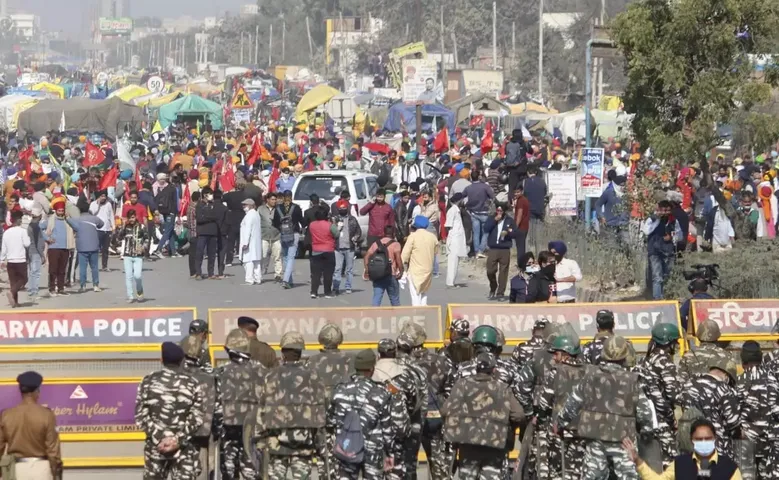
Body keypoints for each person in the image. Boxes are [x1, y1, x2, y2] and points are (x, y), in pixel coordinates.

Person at [558, 336, 655, 480]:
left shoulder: (590, 376)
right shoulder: (632, 380)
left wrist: (561, 423)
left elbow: (572, 403)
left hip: (595, 438)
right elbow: (644, 413)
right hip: (624, 441)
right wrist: (647, 431)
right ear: (625, 356)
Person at [441, 352, 525, 480]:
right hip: (494, 446)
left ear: (476, 368)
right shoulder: (502, 389)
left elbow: (445, 411)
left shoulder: (462, 385)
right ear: (493, 370)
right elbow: (518, 415)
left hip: (467, 444)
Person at [254, 332, 326, 480]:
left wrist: (259, 439)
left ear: (283, 352)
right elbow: (320, 411)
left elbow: (261, 410)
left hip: (276, 445)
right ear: (300, 352)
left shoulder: (270, 376)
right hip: (303, 445)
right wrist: (320, 443)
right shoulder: (313, 376)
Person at [135, 342, 205, 480]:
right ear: (181, 361)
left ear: (161, 360)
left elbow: (140, 416)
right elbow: (197, 418)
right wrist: (177, 440)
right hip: (183, 450)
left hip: (156, 449)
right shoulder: (192, 383)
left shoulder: (148, 381)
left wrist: (160, 437)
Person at [327, 349, 395, 480]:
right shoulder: (381, 393)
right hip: (372, 451)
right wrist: (389, 453)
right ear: (372, 369)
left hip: (346, 448)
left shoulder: (339, 390)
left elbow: (329, 421)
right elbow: (387, 429)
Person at [215, 329, 266, 479]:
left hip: (228, 431)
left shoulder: (221, 372)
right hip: (253, 433)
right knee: (252, 472)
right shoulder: (261, 371)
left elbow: (216, 407)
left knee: (229, 473)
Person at [624, 418, 743, 480]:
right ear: (692, 440)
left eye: (707, 438)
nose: (704, 442)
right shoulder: (680, 464)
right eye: (699, 439)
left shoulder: (729, 467)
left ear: (714, 438)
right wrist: (637, 460)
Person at [537, 336, 587, 480]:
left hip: (560, 432)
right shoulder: (589, 372)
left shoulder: (556, 372)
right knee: (580, 471)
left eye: (556, 353)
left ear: (565, 354)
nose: (554, 356)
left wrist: (540, 421)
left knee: (559, 472)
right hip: (583, 431)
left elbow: (544, 404)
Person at [0, 371, 61, 480]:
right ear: (37, 391)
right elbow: (53, 451)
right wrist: (56, 473)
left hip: (16, 469)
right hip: (41, 468)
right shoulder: (46, 415)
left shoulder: (6, 415)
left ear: (21, 391)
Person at [637, 323, 682, 467]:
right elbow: (673, 393)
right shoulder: (665, 362)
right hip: (662, 419)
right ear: (669, 343)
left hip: (645, 418)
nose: (677, 345)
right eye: (675, 342)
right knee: (669, 463)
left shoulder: (645, 360)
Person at [678, 358, 741, 458]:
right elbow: (733, 422)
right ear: (726, 375)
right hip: (716, 447)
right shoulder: (724, 389)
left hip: (690, 444)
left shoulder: (688, 385)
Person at [736, 341, 779, 480]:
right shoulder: (773, 379)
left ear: (743, 360)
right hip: (770, 440)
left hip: (747, 441)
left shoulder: (740, 381)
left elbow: (733, 414)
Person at [180, 335, 218, 480]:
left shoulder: (176, 376)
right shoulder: (209, 378)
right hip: (203, 435)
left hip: (179, 437)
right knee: (202, 471)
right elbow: (216, 409)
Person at [642, 200, 682, 300]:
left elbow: (679, 235)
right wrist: (657, 220)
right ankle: (658, 299)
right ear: (659, 210)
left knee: (668, 275)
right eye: (663, 210)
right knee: (657, 276)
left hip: (668, 251)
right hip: (655, 252)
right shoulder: (652, 219)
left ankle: (668, 296)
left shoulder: (673, 220)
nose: (666, 213)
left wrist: (672, 237)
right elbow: (646, 231)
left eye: (668, 211)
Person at [677, 320, 730, 386]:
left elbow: (681, 381)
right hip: (718, 394)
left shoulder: (687, 356)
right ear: (717, 336)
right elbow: (731, 383)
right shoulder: (726, 356)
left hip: (693, 394)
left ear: (698, 336)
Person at [401, 216, 439, 306]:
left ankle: (417, 315)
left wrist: (401, 268)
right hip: (428, 270)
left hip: (415, 270)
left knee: (415, 295)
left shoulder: (413, 236)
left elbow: (404, 255)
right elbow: (435, 253)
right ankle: (424, 314)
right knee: (424, 293)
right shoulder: (433, 237)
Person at [66, 205, 104, 293]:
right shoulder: (95, 219)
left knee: (83, 267)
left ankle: (83, 286)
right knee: (94, 267)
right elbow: (101, 224)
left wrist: (67, 217)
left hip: (82, 247)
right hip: (94, 245)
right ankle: (96, 285)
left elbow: (71, 223)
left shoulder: (77, 219)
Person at [41, 197, 73, 296]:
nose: (61, 212)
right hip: (53, 248)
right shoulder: (50, 220)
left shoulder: (67, 220)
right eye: (59, 210)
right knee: (53, 269)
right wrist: (47, 238)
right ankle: (51, 288)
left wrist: (68, 218)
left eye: (62, 210)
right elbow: (39, 228)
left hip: (65, 247)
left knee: (62, 270)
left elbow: (76, 226)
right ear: (56, 210)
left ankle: (61, 288)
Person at [364, 225, 404, 306]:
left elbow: (366, 257)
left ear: (383, 233)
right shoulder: (396, 244)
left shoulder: (376, 243)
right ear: (393, 233)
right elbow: (398, 259)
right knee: (394, 299)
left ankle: (375, 316)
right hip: (391, 274)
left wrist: (367, 270)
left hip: (378, 274)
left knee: (376, 299)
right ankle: (396, 316)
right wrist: (401, 270)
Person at [484, 204, 516, 300]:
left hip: (505, 248)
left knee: (503, 271)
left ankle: (500, 293)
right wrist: (495, 220)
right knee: (490, 270)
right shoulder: (491, 218)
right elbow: (486, 229)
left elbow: (515, 232)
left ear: (504, 211)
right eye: (498, 210)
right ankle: (493, 286)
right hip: (493, 248)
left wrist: (508, 233)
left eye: (501, 211)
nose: (499, 212)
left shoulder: (509, 220)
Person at [273, 190, 303, 289]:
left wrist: (282, 229)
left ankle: (289, 281)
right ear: (291, 196)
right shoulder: (296, 208)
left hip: (283, 234)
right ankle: (286, 280)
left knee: (285, 257)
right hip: (294, 234)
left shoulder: (278, 208)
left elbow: (275, 223)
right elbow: (302, 222)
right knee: (291, 257)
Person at [118, 210, 149, 303]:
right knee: (128, 276)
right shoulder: (126, 227)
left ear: (136, 217)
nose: (131, 219)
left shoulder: (142, 227)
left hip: (138, 255)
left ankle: (139, 290)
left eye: (133, 217)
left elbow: (147, 239)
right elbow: (118, 238)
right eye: (130, 218)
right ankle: (130, 296)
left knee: (137, 276)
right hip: (127, 255)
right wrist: (122, 226)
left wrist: (143, 248)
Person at [331, 198, 362, 295]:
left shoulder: (353, 219)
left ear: (347, 208)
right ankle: (336, 287)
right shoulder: (334, 219)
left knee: (349, 269)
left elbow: (358, 231)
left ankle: (348, 286)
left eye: (344, 208)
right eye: (341, 208)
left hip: (350, 247)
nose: (343, 209)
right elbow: (331, 232)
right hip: (338, 248)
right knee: (337, 269)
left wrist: (355, 238)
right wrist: (337, 228)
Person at [463, 172, 495, 258]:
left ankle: (477, 251)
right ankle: (481, 249)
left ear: (471, 177)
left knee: (476, 233)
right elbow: (493, 196)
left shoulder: (468, 188)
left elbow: (462, 196)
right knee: (486, 232)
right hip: (484, 212)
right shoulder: (485, 186)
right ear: (479, 177)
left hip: (473, 212)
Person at [308, 207, 338, 298]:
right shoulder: (330, 225)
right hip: (328, 250)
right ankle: (327, 292)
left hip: (316, 250)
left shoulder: (312, 225)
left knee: (316, 273)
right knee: (328, 273)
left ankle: (314, 292)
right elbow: (336, 234)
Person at [595, 169, 629, 245]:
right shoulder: (608, 192)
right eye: (621, 185)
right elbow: (598, 204)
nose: (623, 187)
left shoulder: (628, 195)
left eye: (624, 185)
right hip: (610, 224)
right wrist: (601, 216)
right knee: (612, 245)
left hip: (623, 224)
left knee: (627, 245)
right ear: (616, 185)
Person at [444, 192, 468, 288]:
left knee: (456, 261)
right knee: (452, 261)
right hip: (453, 239)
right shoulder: (452, 211)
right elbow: (448, 226)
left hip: (457, 239)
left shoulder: (457, 210)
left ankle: (452, 281)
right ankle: (450, 282)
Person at [195, 187, 219, 280]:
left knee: (212, 254)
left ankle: (211, 273)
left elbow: (217, 216)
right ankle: (198, 273)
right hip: (203, 232)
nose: (211, 196)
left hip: (213, 232)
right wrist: (210, 218)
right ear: (205, 195)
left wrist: (208, 217)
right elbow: (200, 219)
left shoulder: (214, 205)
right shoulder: (200, 205)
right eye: (210, 194)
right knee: (200, 253)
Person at [154, 172, 179, 258]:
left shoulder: (157, 188)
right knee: (168, 230)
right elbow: (175, 201)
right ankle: (158, 249)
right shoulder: (171, 188)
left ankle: (173, 251)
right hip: (171, 212)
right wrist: (177, 213)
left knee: (170, 230)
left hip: (163, 211)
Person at [223, 180, 248, 267]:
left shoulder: (230, 195)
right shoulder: (246, 196)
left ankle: (228, 260)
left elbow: (222, 197)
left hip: (232, 217)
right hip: (242, 217)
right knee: (242, 240)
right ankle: (243, 258)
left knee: (230, 241)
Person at [89, 189, 115, 270]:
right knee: (95, 249)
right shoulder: (93, 204)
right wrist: (98, 205)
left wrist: (113, 226)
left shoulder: (108, 204)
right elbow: (91, 214)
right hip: (97, 229)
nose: (103, 198)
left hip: (107, 229)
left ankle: (105, 266)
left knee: (105, 249)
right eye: (102, 196)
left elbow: (111, 216)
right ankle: (94, 265)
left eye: (105, 196)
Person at [239, 198, 263, 285]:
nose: (243, 207)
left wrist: (245, 243)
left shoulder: (249, 215)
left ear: (250, 205)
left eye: (245, 205)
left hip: (249, 242)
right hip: (255, 241)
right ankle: (258, 278)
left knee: (248, 261)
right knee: (256, 261)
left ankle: (249, 279)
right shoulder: (256, 214)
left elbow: (248, 229)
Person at [524, 165, 547, 254]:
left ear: (527, 173)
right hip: (540, 210)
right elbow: (545, 193)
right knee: (538, 235)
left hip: (529, 211)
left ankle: (529, 255)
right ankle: (539, 254)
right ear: (536, 172)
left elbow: (524, 194)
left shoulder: (525, 182)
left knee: (529, 235)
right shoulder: (542, 182)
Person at [260, 193, 283, 282]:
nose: (274, 201)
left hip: (276, 236)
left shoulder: (279, 209)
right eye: (272, 199)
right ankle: (260, 273)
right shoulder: (260, 209)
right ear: (267, 200)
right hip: (264, 235)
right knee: (263, 256)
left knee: (277, 256)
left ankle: (278, 275)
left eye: (275, 199)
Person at [512, 185, 530, 263]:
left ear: (522, 191)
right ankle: (522, 263)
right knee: (521, 246)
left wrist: (515, 227)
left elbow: (520, 213)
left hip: (521, 227)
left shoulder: (521, 200)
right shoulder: (524, 200)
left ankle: (521, 263)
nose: (516, 194)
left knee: (520, 248)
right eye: (515, 192)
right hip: (524, 226)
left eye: (518, 192)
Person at [186, 191, 201, 278]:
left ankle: (192, 272)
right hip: (195, 231)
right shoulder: (195, 207)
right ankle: (195, 271)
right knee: (195, 253)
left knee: (192, 253)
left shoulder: (189, 206)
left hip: (190, 231)